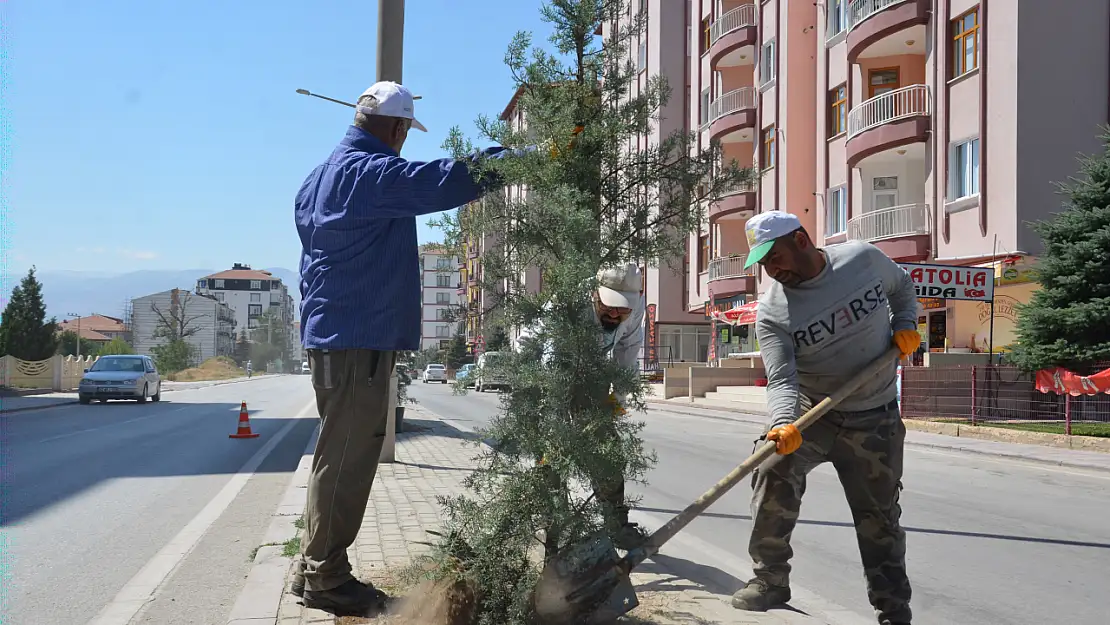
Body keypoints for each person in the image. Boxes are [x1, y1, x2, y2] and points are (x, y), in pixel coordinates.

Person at [291, 81, 520, 614]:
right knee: (349, 456)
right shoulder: (371, 174)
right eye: (405, 134)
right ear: (396, 129)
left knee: (334, 452)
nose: (404, 143)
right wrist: (519, 159)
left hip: (332, 336)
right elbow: (444, 180)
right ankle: (327, 577)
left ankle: (311, 568)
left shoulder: (315, 179)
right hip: (358, 338)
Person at [730, 211, 920, 625]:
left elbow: (902, 287)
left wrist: (906, 324)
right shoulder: (773, 311)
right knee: (771, 466)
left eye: (774, 257)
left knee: (880, 517)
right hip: (813, 414)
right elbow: (781, 379)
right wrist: (783, 424)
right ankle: (770, 580)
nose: (772, 269)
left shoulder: (862, 261)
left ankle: (892, 609)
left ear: (800, 241)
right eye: (764, 264)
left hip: (875, 416)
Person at [515, 263, 646, 548]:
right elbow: (547, 353)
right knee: (552, 456)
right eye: (608, 306)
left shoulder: (636, 309)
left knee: (607, 453)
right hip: (547, 370)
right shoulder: (567, 303)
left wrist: (618, 399)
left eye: (621, 310)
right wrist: (553, 406)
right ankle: (554, 530)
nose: (614, 314)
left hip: (594, 374)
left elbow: (627, 352)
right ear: (594, 295)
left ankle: (615, 525)